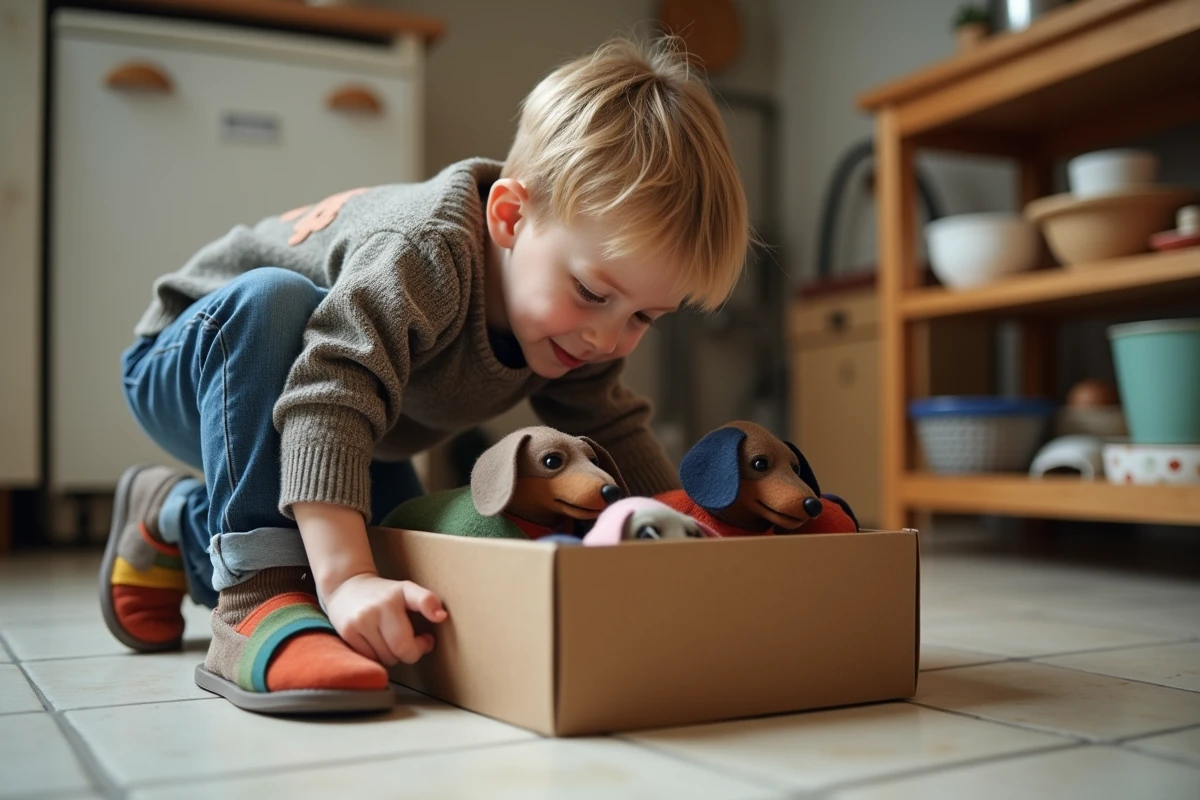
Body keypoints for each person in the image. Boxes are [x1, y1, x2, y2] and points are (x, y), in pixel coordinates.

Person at [100, 36, 750, 714]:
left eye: (645, 316)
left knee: (394, 548)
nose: (608, 337)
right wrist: (344, 580)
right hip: (203, 364)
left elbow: (613, 425)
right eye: (592, 293)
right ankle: (257, 595)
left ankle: (173, 519)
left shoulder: (576, 332)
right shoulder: (425, 255)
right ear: (510, 216)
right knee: (279, 306)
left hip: (346, 416)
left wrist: (692, 537)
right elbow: (332, 394)